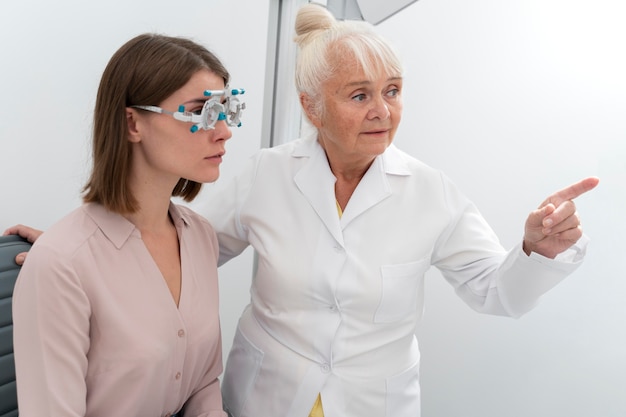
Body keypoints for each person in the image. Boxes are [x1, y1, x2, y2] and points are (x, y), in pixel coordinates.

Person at [6, 4, 599, 417]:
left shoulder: (431, 192)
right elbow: (176, 249)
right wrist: (81, 252)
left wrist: (534, 254)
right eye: (360, 94)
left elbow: (497, 293)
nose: (383, 112)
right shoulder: (268, 174)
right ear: (311, 107)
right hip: (263, 398)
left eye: (392, 91)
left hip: (372, 403)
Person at [8, 33, 243, 417]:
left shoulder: (200, 237)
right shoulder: (61, 263)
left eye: (225, 110)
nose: (223, 131)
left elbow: (201, 384)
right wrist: (69, 258)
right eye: (202, 111)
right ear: (133, 124)